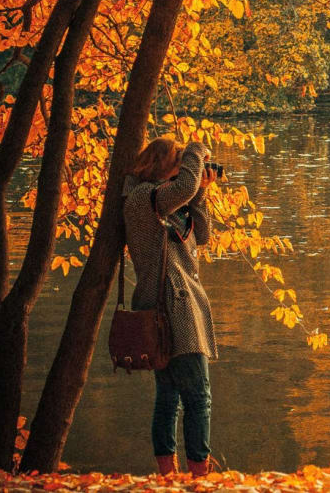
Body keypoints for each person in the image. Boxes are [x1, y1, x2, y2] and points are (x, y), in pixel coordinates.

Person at [123, 137, 219, 477]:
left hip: (179, 304)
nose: (184, 167)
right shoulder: (142, 199)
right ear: (162, 164)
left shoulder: (167, 203)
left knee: (171, 396)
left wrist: (202, 192)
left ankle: (169, 474)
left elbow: (203, 235)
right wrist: (195, 149)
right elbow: (185, 186)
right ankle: (199, 474)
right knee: (198, 397)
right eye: (178, 160)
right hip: (169, 307)